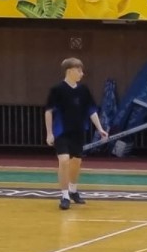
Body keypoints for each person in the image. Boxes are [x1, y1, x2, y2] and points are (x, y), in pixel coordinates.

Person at [44, 57, 108, 211]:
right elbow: (48, 112)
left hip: (78, 131)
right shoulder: (57, 90)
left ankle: (73, 190)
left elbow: (91, 110)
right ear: (70, 71)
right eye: (79, 70)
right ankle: (65, 195)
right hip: (61, 132)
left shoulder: (84, 90)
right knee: (64, 160)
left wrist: (100, 128)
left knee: (76, 162)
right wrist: (49, 133)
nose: (82, 73)